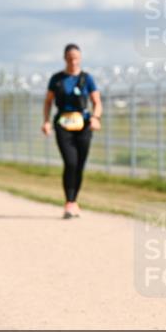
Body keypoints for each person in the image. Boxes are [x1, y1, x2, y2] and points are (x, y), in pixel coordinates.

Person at [41, 43, 102, 219]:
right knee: (71, 162)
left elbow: (97, 102)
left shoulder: (87, 78)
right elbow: (48, 102)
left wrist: (96, 118)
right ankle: (68, 202)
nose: (73, 61)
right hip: (63, 124)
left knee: (80, 164)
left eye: (76, 58)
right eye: (70, 58)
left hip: (83, 125)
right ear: (65, 58)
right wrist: (46, 121)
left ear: (80, 59)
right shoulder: (57, 79)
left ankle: (74, 201)